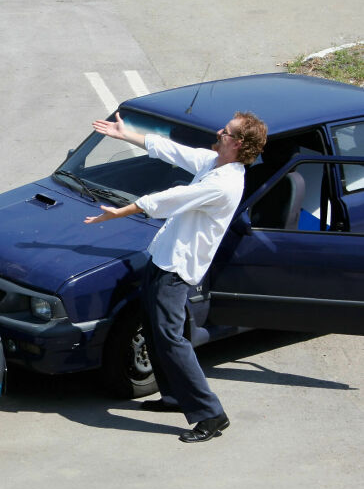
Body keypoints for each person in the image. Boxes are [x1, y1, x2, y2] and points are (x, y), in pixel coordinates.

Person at [84, 111, 267, 443]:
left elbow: (172, 198)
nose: (218, 130)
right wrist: (125, 135)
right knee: (158, 332)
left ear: (237, 143)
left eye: (225, 131)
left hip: (176, 269)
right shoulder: (215, 163)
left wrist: (122, 211)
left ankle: (211, 414)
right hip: (164, 258)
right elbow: (171, 150)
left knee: (170, 339)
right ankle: (173, 397)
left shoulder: (223, 184)